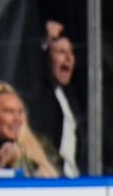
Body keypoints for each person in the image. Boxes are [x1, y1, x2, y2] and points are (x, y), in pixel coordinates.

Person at [27, 23, 84, 178]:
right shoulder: (42, 95)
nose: (69, 58)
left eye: (71, 53)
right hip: (52, 178)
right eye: (61, 52)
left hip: (75, 178)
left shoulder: (71, 97)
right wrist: (44, 45)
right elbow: (33, 71)